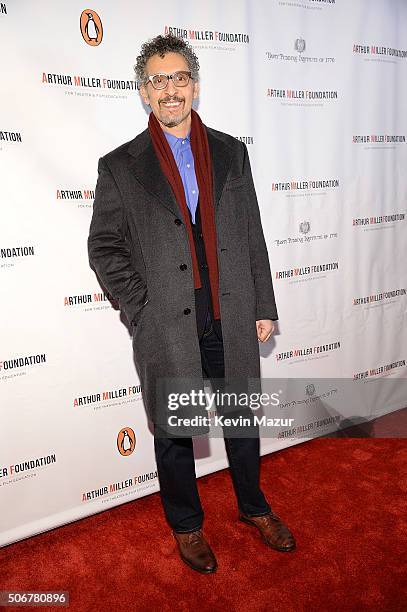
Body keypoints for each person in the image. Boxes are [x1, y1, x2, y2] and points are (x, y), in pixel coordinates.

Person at [87, 33, 295, 574]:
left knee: (242, 419)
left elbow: (251, 233)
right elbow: (104, 248)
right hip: (168, 321)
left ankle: (254, 506)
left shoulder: (231, 151)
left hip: (231, 311)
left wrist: (263, 305)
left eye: (179, 77)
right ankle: (187, 525)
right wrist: (143, 308)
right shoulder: (120, 166)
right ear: (143, 93)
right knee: (176, 430)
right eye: (157, 80)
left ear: (194, 85)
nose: (170, 89)